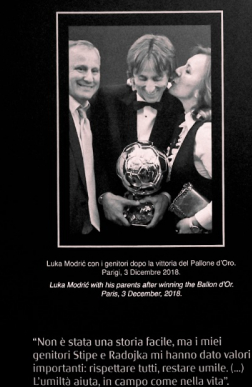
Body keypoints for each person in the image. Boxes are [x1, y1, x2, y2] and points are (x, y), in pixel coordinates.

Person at [91, 34, 184, 230]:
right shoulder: (106, 99)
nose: (150, 88)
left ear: (169, 75)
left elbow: (185, 164)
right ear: (131, 74)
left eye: (157, 78)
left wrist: (166, 197)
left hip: (162, 224)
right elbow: (94, 153)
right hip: (110, 222)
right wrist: (104, 196)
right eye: (142, 78)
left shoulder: (180, 107)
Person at [162, 46, 213, 234]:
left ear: (201, 90)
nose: (177, 70)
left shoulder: (205, 132)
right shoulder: (185, 124)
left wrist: (196, 223)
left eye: (188, 70)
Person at [67, 40, 105, 236]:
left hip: (90, 231)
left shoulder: (90, 114)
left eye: (95, 71)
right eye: (80, 69)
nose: (89, 78)